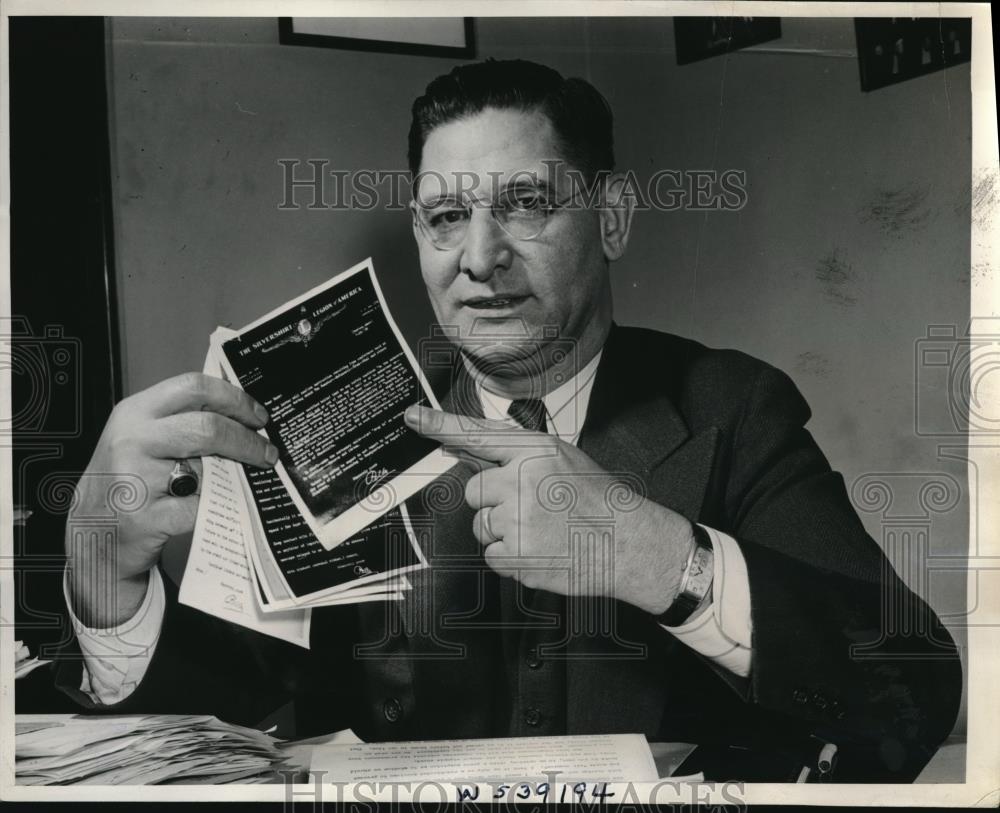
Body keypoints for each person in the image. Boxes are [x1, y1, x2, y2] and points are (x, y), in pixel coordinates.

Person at [56, 59, 961, 782]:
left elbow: (912, 692)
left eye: (525, 204)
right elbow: (201, 732)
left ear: (612, 218)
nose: (480, 257)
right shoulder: (338, 422)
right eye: (447, 216)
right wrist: (105, 573)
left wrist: (659, 557)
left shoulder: (731, 408)